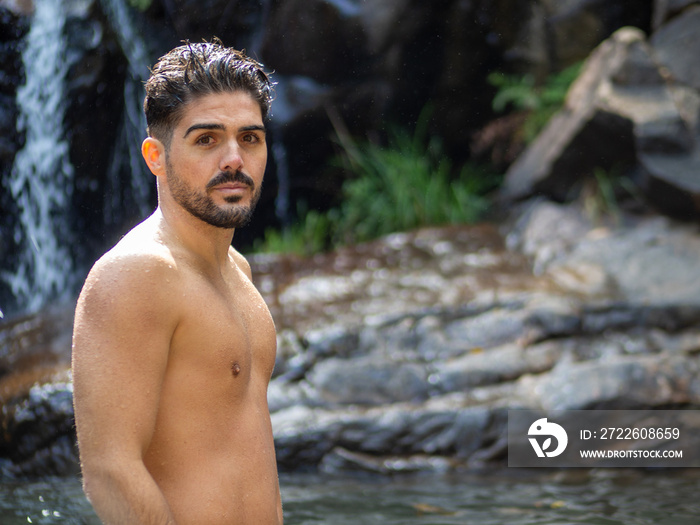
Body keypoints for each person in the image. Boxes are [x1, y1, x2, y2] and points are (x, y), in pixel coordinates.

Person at [71, 40, 283, 524]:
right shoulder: (136, 275)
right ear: (155, 157)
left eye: (249, 138)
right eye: (207, 139)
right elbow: (108, 471)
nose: (234, 158)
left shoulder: (239, 273)